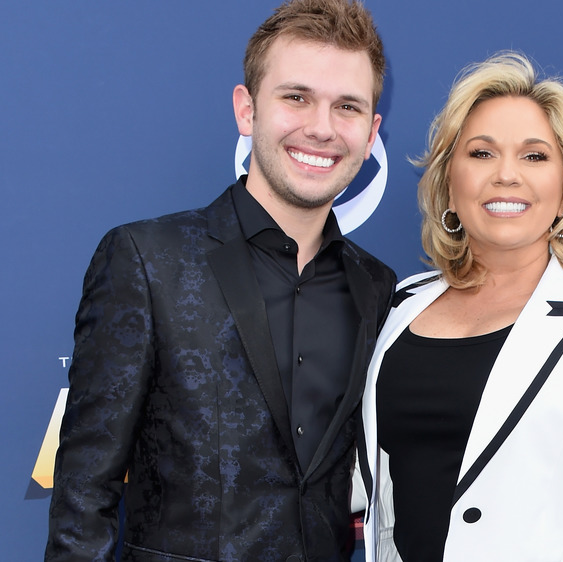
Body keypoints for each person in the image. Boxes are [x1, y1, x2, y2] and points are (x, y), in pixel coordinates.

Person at [45, 1, 395, 560]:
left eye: (347, 106)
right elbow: (84, 497)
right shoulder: (146, 260)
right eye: (296, 97)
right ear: (246, 108)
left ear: (372, 129)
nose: (322, 128)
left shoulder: (377, 286)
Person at [356, 52, 563, 561]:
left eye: (534, 156)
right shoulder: (399, 304)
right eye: (481, 153)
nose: (506, 175)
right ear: (448, 181)